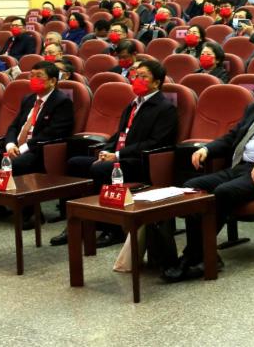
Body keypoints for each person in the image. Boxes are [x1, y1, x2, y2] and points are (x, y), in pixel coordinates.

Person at [161, 65, 254, 282]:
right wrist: (207, 149)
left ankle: (191, 256)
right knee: (191, 187)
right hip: (239, 168)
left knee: (223, 192)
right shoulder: (253, 109)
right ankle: (203, 253)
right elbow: (232, 137)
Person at [51, 60, 177, 248]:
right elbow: (120, 134)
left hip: (140, 162)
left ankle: (113, 228)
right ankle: (78, 221)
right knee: (75, 163)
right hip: (120, 157)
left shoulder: (165, 108)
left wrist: (117, 155)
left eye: (143, 76)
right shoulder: (133, 104)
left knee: (102, 169)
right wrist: (107, 149)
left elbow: (155, 142)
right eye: (136, 76)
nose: (137, 79)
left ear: (157, 82)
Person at [0, 62, 75, 177]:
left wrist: (23, 148)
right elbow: (14, 126)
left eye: (38, 76)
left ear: (52, 81)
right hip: (14, 149)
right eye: (31, 75)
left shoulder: (62, 102)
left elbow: (52, 133)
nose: (33, 79)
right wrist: (10, 145)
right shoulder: (29, 98)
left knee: (13, 165)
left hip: (36, 151)